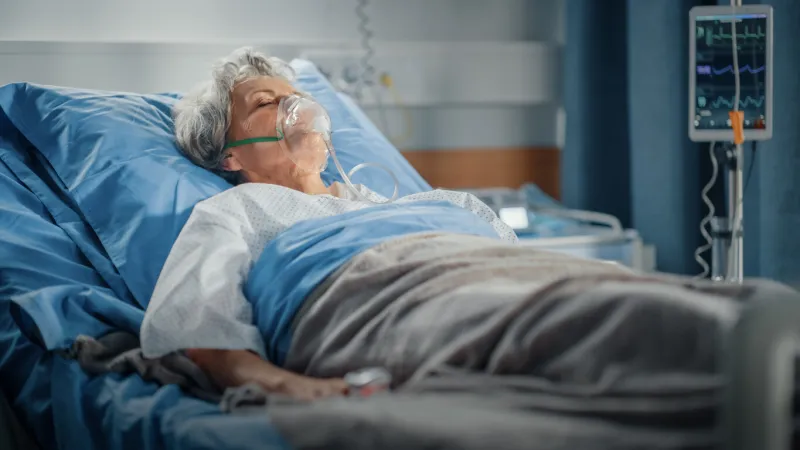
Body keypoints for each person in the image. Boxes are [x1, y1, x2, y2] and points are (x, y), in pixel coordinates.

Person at [139, 47, 778, 403]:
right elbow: (202, 337)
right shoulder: (234, 211)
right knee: (659, 326)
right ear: (229, 155)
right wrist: (303, 390)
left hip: (501, 278)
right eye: (265, 102)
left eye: (292, 92)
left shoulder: (416, 203)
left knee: (679, 301)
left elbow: (516, 272)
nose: (294, 107)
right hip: (390, 299)